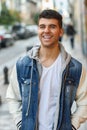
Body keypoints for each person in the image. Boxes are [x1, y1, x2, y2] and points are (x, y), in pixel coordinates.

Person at [6, 9, 87, 130]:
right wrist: (20, 123)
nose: (46, 31)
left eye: (52, 26)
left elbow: (84, 102)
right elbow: (13, 98)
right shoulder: (22, 65)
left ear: (61, 31)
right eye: (42, 26)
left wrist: (72, 126)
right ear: (38, 30)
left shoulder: (75, 68)